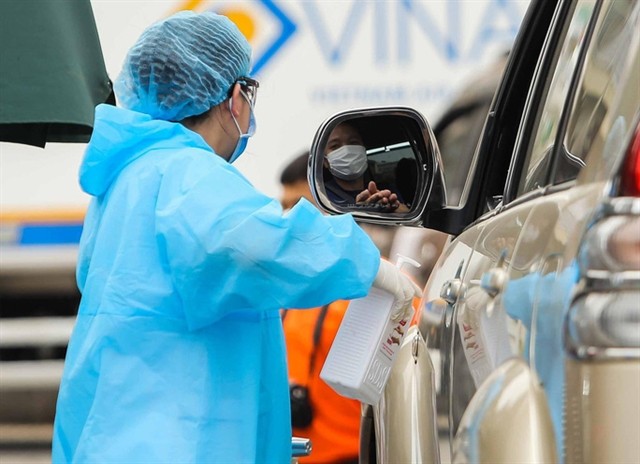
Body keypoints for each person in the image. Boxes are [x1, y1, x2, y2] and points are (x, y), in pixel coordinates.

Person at [51, 11, 420, 464]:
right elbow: (253, 246)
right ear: (233, 97)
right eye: (250, 91)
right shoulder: (187, 173)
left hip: (113, 436)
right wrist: (366, 263)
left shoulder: (127, 179)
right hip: (173, 444)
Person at [279, 153, 361, 464]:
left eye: (300, 207)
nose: (289, 219)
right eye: (284, 207)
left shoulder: (378, 290)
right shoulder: (276, 290)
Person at [323, 121, 408, 212]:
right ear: (325, 162)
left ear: (364, 151)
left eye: (353, 142)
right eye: (335, 146)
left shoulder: (386, 189)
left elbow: (407, 213)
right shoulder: (322, 196)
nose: (347, 150)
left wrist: (392, 207)